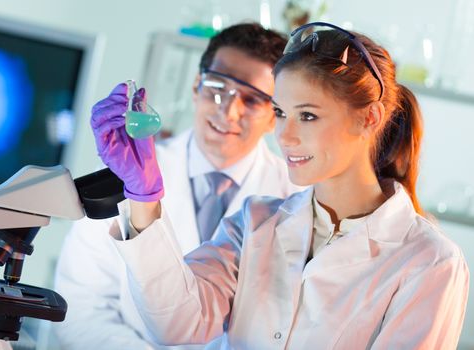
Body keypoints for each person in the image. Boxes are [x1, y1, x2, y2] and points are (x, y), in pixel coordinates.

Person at [96, 22, 470, 349]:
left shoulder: (429, 262)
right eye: (280, 113)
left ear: (369, 118)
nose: (284, 136)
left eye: (307, 115)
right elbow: (176, 323)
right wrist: (143, 197)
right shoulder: (255, 222)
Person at [54, 23, 302, 349]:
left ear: (275, 116)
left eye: (253, 99)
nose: (228, 110)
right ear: (196, 86)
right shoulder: (128, 173)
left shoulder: (293, 199)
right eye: (217, 87)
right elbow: (81, 304)